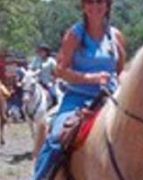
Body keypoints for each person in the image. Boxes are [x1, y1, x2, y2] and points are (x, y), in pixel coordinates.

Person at [34, 0, 126, 179]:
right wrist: (89, 78)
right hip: (78, 97)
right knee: (57, 137)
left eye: (100, 2)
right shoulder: (75, 34)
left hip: (110, 98)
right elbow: (60, 70)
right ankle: (41, 176)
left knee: (141, 134)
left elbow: (120, 69)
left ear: (107, 5)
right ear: (83, 6)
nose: (95, 6)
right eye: (89, 2)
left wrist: (120, 84)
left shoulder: (116, 36)